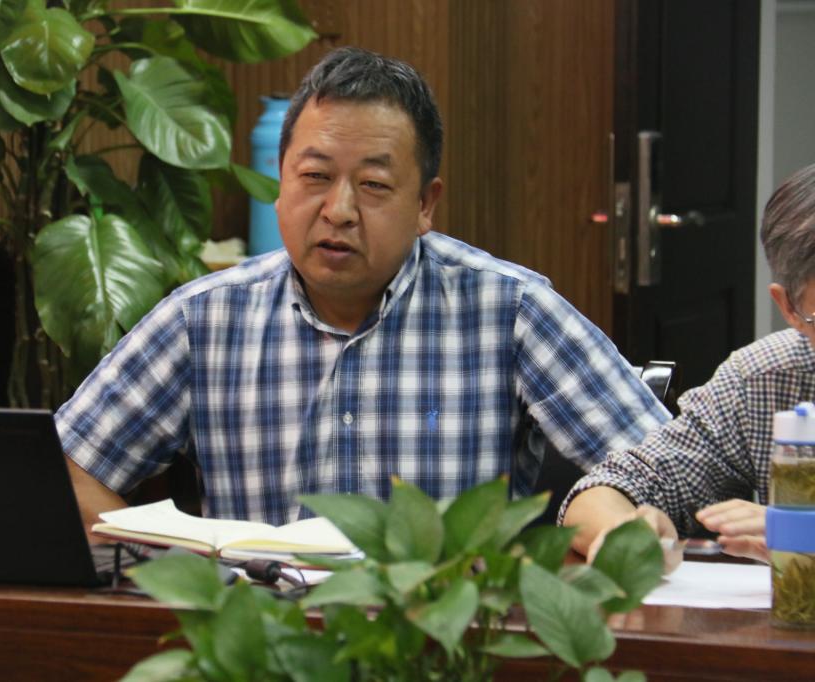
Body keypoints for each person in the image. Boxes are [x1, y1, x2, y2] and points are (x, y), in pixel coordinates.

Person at [55, 47, 668, 531]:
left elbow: (665, 468)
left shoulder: (509, 310)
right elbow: (65, 473)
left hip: (443, 635)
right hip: (262, 631)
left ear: (425, 204)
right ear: (280, 183)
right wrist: (167, 571)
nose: (339, 210)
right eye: (315, 176)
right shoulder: (204, 320)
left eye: (373, 186)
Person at [561, 162, 815, 570]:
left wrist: (804, 532)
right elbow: (611, 487)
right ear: (789, 308)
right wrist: (627, 533)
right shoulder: (763, 378)